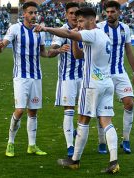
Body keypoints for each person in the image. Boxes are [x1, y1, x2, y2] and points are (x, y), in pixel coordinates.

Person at [35, 7, 119, 174]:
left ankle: (75, 160)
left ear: (91, 20)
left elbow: (67, 34)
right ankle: (114, 161)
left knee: (83, 120)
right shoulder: (103, 35)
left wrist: (45, 28)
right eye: (77, 21)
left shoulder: (92, 33)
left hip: (91, 85)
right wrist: (74, 39)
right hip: (106, 84)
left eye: (81, 21)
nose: (79, 24)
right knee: (106, 122)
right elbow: (79, 55)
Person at [0, 1, 48, 157]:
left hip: (36, 76)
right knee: (19, 110)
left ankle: (32, 145)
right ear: (23, 13)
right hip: (21, 77)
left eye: (35, 13)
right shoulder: (15, 28)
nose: (33, 16)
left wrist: (58, 51)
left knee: (33, 111)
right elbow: (2, 47)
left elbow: (43, 53)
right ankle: (10, 143)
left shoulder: (41, 31)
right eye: (30, 13)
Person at [96, 0, 134, 154]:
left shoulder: (125, 28)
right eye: (107, 12)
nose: (109, 14)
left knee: (129, 103)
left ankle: (126, 140)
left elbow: (128, 50)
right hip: (103, 73)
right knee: (101, 109)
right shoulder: (99, 27)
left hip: (120, 72)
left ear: (119, 12)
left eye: (112, 12)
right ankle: (101, 141)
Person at [47, 2, 83, 158]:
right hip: (67, 77)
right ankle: (70, 145)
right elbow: (50, 51)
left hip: (84, 78)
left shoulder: (85, 29)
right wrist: (58, 49)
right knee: (69, 110)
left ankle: (77, 132)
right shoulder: (61, 31)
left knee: (84, 111)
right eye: (71, 13)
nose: (74, 16)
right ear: (66, 15)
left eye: (76, 13)